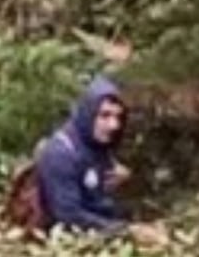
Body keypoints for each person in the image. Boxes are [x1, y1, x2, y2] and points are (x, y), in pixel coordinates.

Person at [35, 76, 168, 246]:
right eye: (104, 115)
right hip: (68, 240)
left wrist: (127, 182)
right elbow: (69, 216)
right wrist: (127, 232)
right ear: (88, 113)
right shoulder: (61, 154)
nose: (114, 125)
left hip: (104, 224)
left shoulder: (97, 143)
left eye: (118, 117)